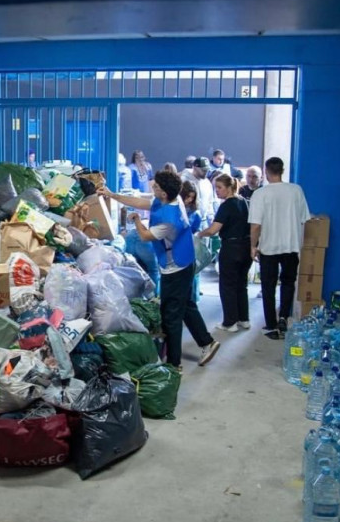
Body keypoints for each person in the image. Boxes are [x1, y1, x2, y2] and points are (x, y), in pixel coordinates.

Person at [100, 173, 221, 368]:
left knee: (171, 315)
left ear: (163, 193)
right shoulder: (173, 199)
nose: (152, 188)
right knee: (186, 305)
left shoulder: (169, 219)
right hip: (184, 260)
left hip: (176, 267)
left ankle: (174, 365)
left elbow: (147, 236)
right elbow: (143, 202)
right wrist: (112, 195)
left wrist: (137, 220)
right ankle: (207, 342)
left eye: (155, 187)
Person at [249, 157, 311, 339]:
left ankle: (270, 324)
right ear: (282, 170)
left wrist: (253, 246)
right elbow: (303, 219)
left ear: (266, 172)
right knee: (288, 282)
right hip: (291, 245)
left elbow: (255, 226)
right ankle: (284, 316)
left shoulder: (260, 194)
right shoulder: (296, 190)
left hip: (269, 246)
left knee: (268, 286)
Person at [197, 174, 251, 333]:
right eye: (216, 188)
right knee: (241, 285)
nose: (217, 191)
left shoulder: (226, 205)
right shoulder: (243, 202)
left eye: (219, 188)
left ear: (229, 187)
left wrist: (199, 234)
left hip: (231, 247)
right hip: (246, 246)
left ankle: (230, 322)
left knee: (227, 285)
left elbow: (214, 229)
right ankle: (244, 319)